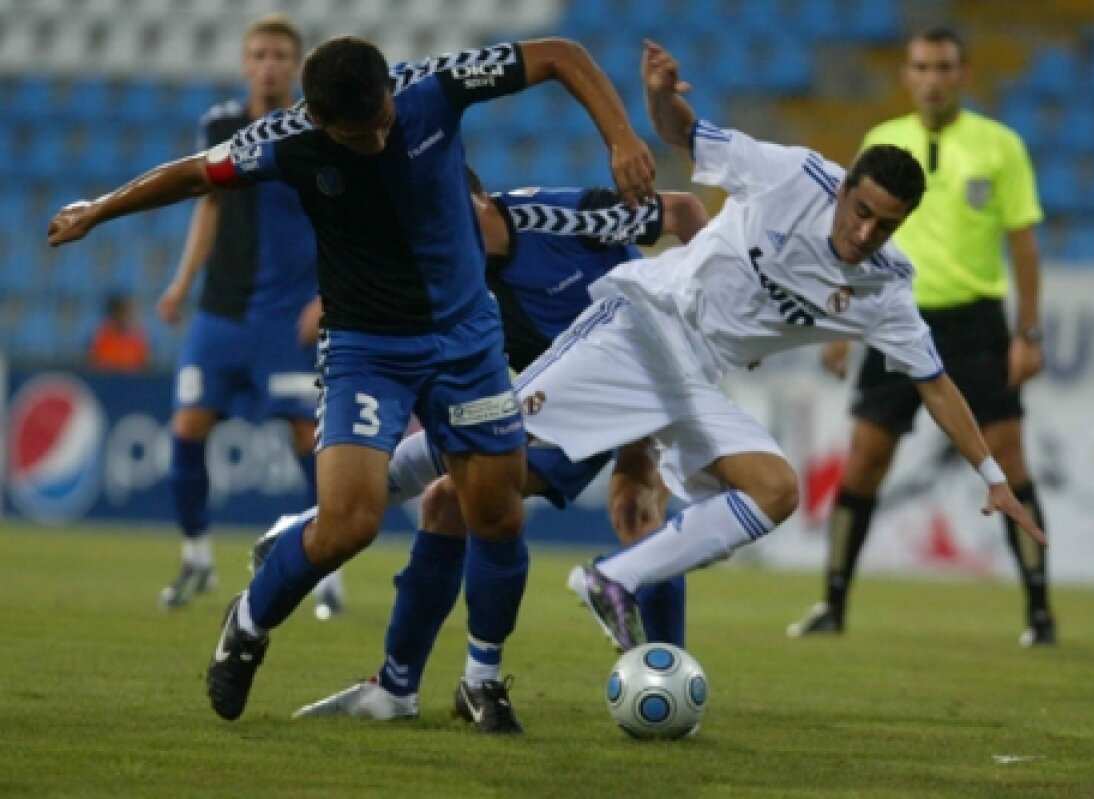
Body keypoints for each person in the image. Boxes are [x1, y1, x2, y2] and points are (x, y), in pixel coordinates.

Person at [47, 35, 656, 732]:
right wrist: (99, 208)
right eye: (356, 132)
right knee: (348, 522)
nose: (375, 136)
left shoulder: (432, 88)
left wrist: (622, 137)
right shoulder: (282, 140)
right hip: (367, 346)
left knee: (496, 511)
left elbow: (559, 55)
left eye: (382, 120)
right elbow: (192, 174)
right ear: (318, 118)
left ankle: (482, 679)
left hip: (465, 339)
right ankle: (246, 622)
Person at [493, 39, 1043, 653]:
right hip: (645, 324)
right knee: (479, 446)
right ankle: (378, 484)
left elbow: (936, 385)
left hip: (694, 376)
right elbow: (685, 134)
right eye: (859, 212)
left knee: (773, 490)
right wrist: (657, 96)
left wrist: (991, 476)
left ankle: (612, 581)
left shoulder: (886, 287)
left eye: (884, 225)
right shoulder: (791, 175)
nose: (865, 233)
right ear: (842, 188)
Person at [283, 170, 708, 724]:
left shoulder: (559, 215)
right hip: (565, 394)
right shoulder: (450, 274)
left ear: (482, 203)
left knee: (636, 505)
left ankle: (662, 670)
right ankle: (398, 689)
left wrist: (705, 316)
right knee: (447, 501)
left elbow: (685, 214)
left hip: (649, 366)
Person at [788, 27, 1055, 647]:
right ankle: (832, 603)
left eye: (943, 66)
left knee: (1009, 462)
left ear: (963, 74)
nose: (932, 78)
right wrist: (837, 321)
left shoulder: (1000, 146)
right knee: (864, 461)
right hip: (890, 315)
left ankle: (1039, 613)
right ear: (907, 75)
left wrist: (1029, 332)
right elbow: (849, 237)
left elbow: (1023, 243)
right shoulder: (882, 141)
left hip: (975, 321)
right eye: (921, 66)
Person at [151, 14, 343, 617]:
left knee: (307, 439)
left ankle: (326, 573)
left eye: (280, 55)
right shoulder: (221, 125)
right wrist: (182, 282)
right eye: (259, 54)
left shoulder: (318, 129)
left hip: (288, 316)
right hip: (221, 312)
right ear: (244, 63)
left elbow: (341, 222)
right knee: (186, 428)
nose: (268, 64)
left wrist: (327, 297)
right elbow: (207, 205)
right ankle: (196, 558)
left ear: (298, 65)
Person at [88, 294, 149, 372]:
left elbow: (144, 365)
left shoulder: (138, 337)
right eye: (120, 313)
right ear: (113, 314)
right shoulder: (101, 336)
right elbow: (94, 363)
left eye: (125, 313)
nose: (123, 317)